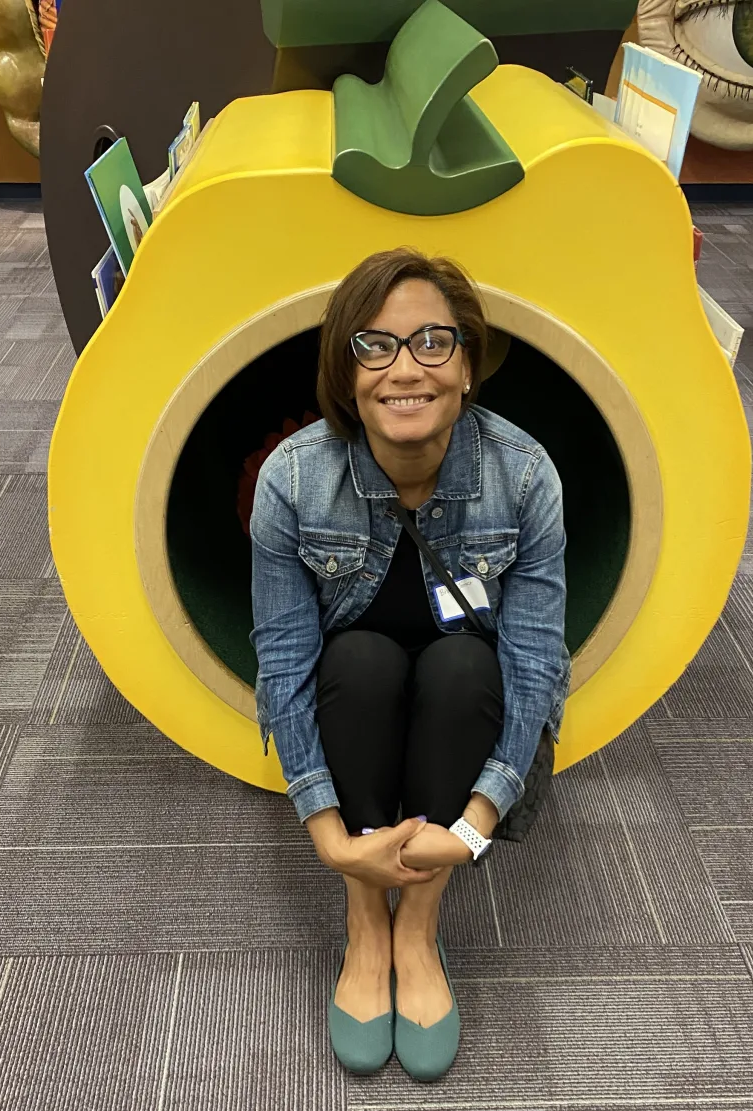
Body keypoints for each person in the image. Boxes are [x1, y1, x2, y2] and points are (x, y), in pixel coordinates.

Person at [250, 247, 569, 1080]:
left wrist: (473, 828)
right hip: (357, 687)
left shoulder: (526, 476)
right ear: (346, 370)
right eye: (375, 345)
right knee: (357, 659)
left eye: (434, 342)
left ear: (467, 365)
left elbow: (535, 662)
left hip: (466, 695)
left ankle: (419, 924)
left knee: (467, 668)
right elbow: (283, 662)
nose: (406, 369)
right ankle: (366, 916)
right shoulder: (293, 480)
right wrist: (333, 846)